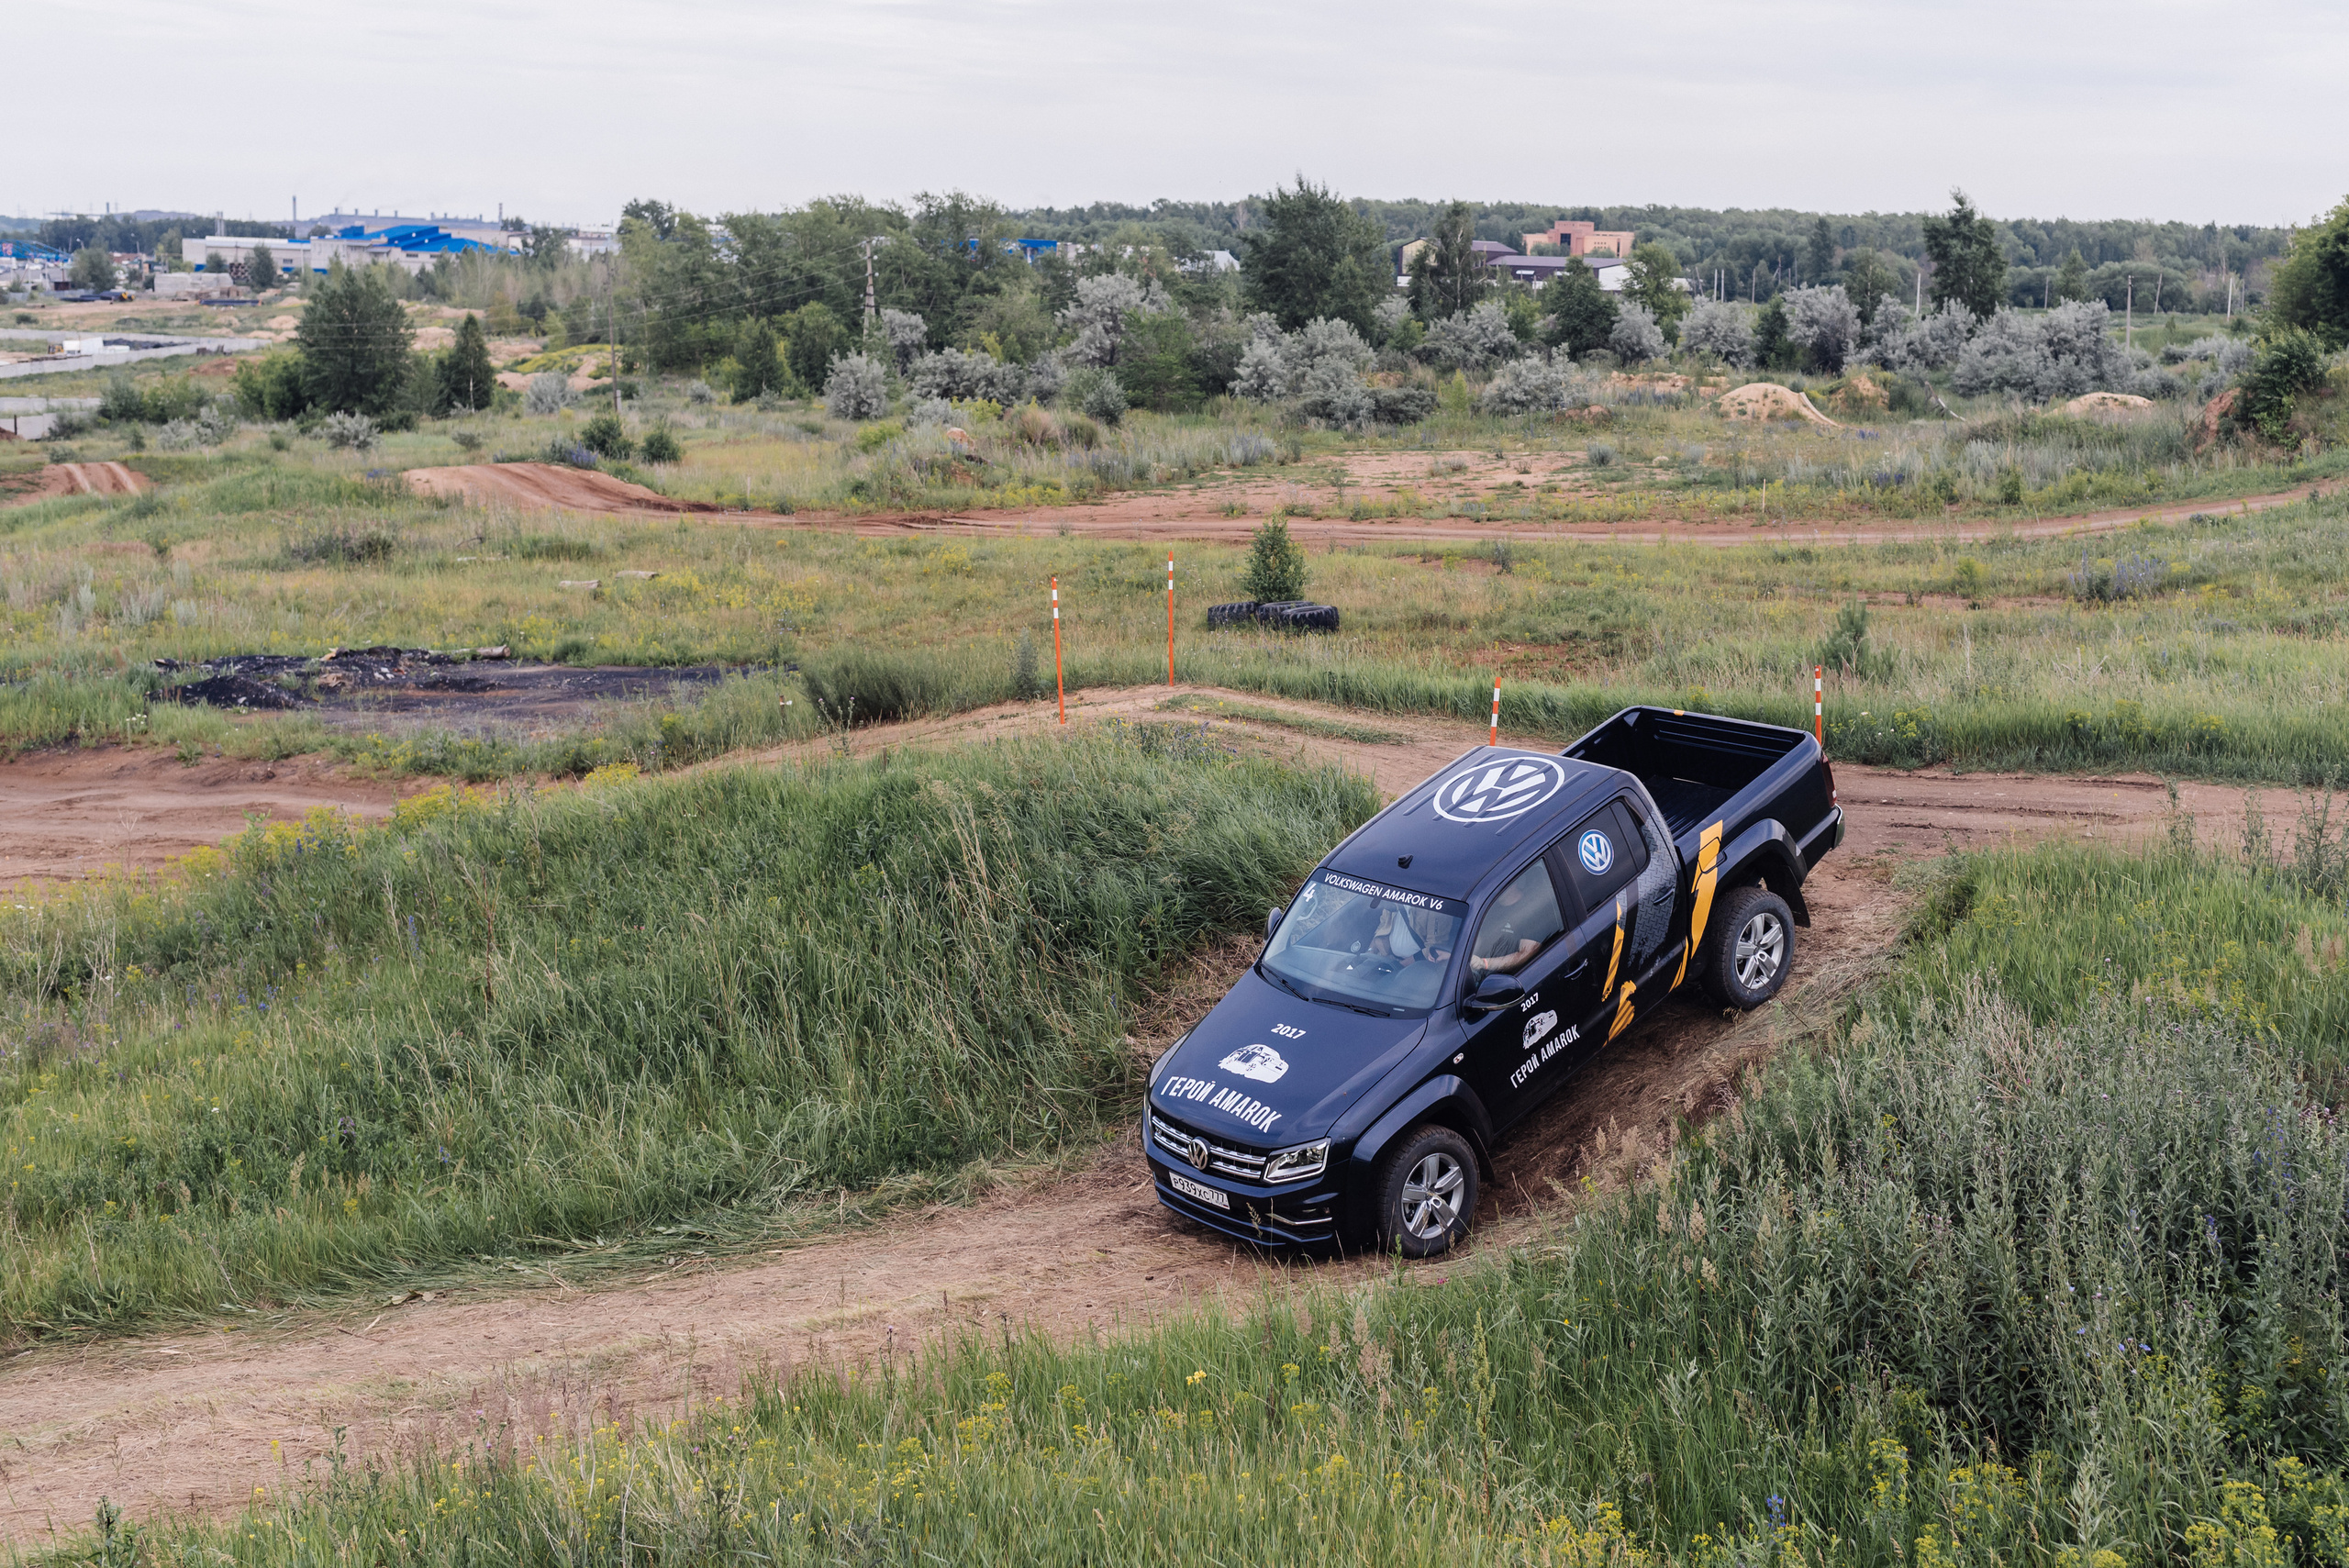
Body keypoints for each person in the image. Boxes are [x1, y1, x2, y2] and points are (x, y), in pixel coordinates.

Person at [1469, 866, 1556, 978]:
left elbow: (1525, 953)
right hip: (1478, 972)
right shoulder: (1490, 909)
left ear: (1512, 884)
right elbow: (1479, 938)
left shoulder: (1533, 911)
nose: (1494, 889)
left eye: (1498, 885)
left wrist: (1484, 963)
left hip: (1508, 978)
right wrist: (1461, 958)